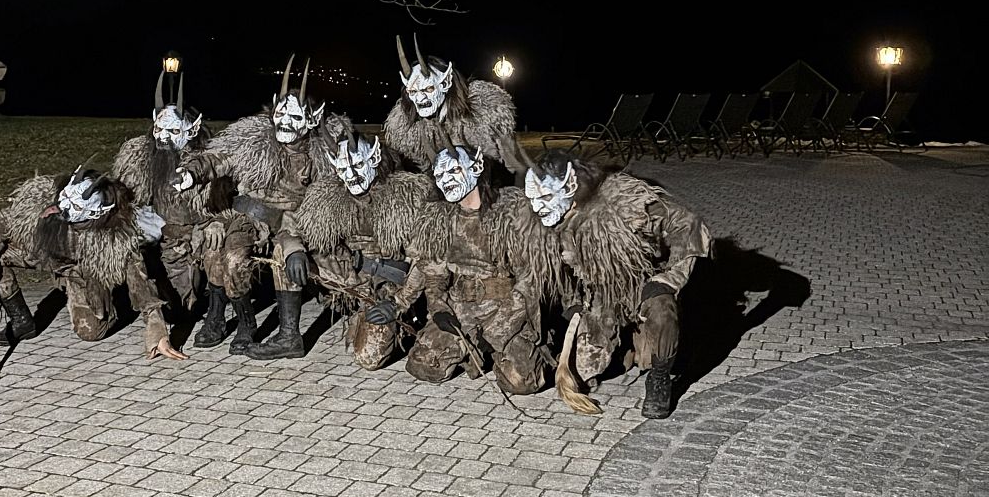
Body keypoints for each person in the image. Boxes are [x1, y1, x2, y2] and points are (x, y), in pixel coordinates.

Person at [174, 56, 352, 359]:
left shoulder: (324, 153)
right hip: (248, 219)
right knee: (225, 257)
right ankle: (244, 323)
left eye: (294, 117)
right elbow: (221, 158)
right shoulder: (255, 141)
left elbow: (324, 201)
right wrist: (194, 171)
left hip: (292, 224)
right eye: (280, 114)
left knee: (288, 254)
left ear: (312, 118)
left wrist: (296, 241)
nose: (284, 122)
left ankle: (289, 336)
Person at [522, 150, 712, 418]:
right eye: (532, 199)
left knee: (661, 313)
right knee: (584, 369)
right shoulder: (544, 224)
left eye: (545, 198)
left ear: (571, 186)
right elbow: (559, 275)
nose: (538, 208)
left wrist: (668, 280)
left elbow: (690, 225)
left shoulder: (623, 203)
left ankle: (659, 377)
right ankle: (625, 348)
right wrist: (572, 304)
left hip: (640, 285)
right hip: (602, 298)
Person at [367, 138, 561, 395]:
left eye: (454, 170)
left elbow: (530, 281)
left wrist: (496, 332)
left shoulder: (511, 212)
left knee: (520, 382)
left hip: (505, 308)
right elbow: (434, 274)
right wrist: (438, 309)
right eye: (440, 174)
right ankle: (470, 351)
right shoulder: (439, 217)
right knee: (423, 365)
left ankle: (515, 350)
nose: (446, 180)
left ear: (477, 166)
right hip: (462, 308)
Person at [0, 166, 183, 360]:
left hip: (81, 273)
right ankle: (22, 322)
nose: (60, 206)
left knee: (91, 332)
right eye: (64, 197)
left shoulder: (111, 240)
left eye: (72, 205)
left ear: (92, 214)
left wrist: (157, 330)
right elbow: (4, 219)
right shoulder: (44, 203)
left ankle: (116, 298)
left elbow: (140, 279)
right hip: (45, 255)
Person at [282, 129, 433, 369]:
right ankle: (288, 337)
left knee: (368, 358)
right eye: (343, 168)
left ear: (373, 159)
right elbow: (291, 229)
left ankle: (406, 321)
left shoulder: (408, 197)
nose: (350, 175)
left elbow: (426, 260)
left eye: (357, 165)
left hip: (389, 285)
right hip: (351, 275)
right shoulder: (329, 194)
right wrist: (294, 251)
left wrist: (398, 302)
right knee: (286, 260)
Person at [110, 67, 210, 356]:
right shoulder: (138, 156)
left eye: (172, 130)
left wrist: (176, 231)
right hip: (149, 234)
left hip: (182, 244)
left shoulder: (202, 163)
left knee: (183, 309)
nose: (163, 137)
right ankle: (152, 323)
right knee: (125, 246)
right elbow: (123, 197)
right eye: (159, 129)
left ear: (190, 131)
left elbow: (210, 214)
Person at [382, 34, 529, 179]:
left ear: (445, 84)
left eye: (428, 89)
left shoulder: (485, 114)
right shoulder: (406, 131)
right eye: (413, 91)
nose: (420, 98)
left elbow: (515, 166)